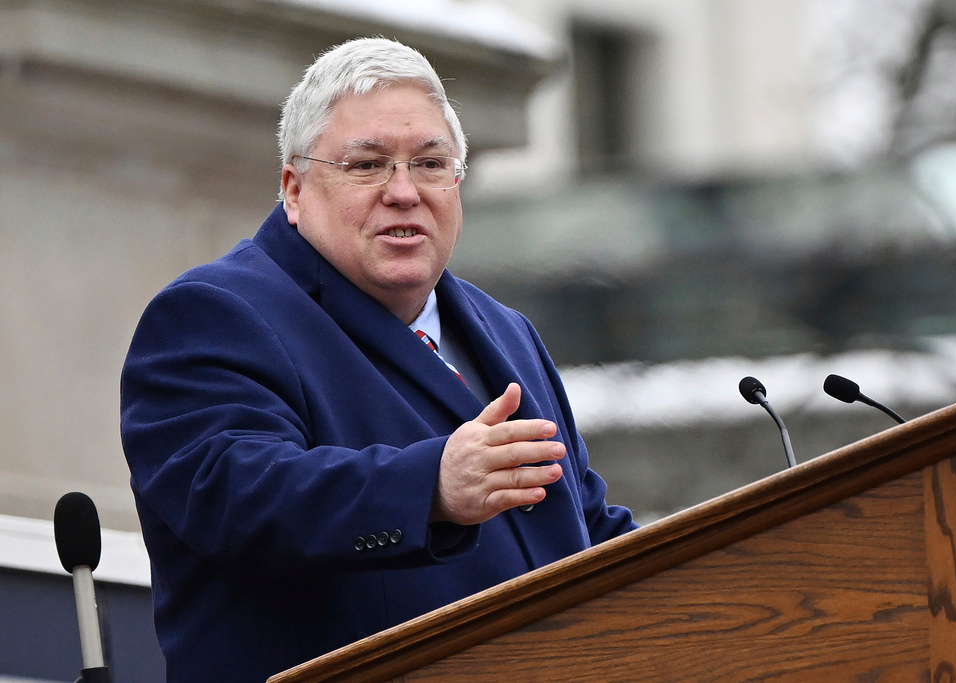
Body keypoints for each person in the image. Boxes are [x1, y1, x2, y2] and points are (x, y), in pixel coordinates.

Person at [120, 36, 635, 683]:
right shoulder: (212, 314)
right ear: (294, 188)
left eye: (429, 163)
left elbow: (583, 524)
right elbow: (238, 496)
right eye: (368, 165)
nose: (404, 191)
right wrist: (430, 489)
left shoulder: (507, 330)